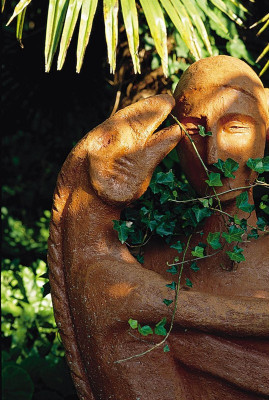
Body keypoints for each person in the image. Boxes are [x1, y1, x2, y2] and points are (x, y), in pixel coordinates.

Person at [48, 56, 269, 400]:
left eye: (236, 127)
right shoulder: (153, 265)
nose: (213, 155)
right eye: (194, 131)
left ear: (266, 133)